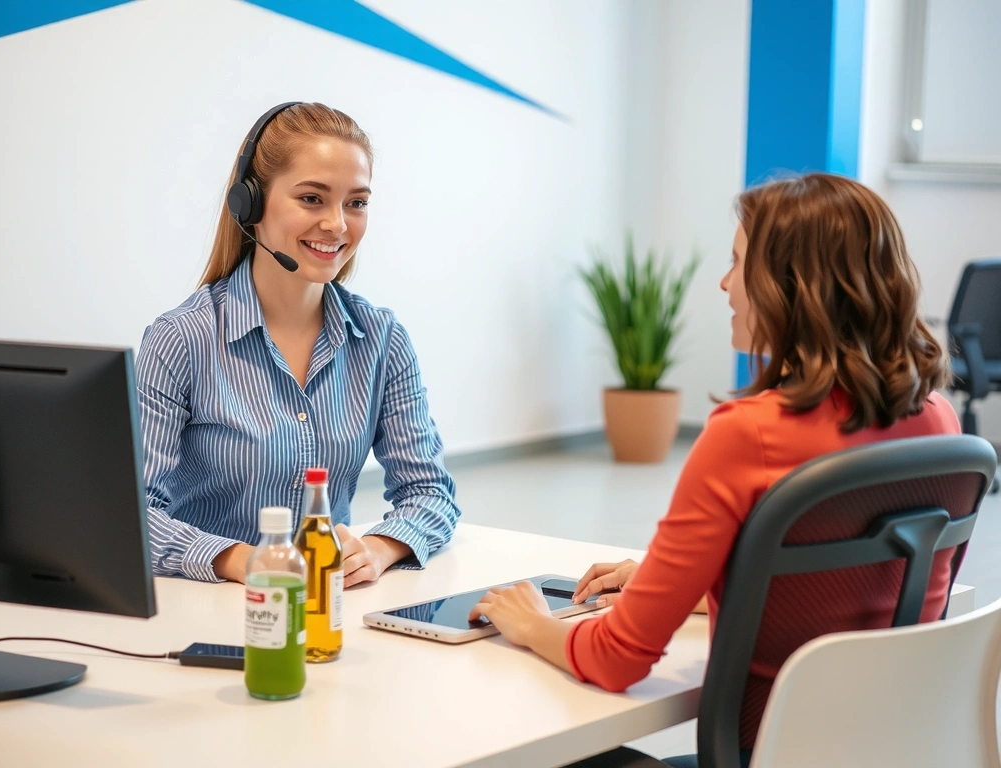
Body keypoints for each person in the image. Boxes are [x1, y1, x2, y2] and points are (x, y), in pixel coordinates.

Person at [468, 173, 958, 765]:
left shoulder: (746, 432)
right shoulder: (938, 421)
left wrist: (534, 624)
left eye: (737, 263)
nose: (725, 284)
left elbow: (616, 658)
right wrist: (693, 580)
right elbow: (851, 585)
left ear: (791, 286)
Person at [136, 102, 459, 585]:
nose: (338, 224)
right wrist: (248, 561)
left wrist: (377, 549)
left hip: (327, 607)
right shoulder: (182, 339)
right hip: (212, 606)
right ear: (250, 203)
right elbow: (137, 512)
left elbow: (430, 491)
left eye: (356, 202)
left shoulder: (380, 338)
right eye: (312, 198)